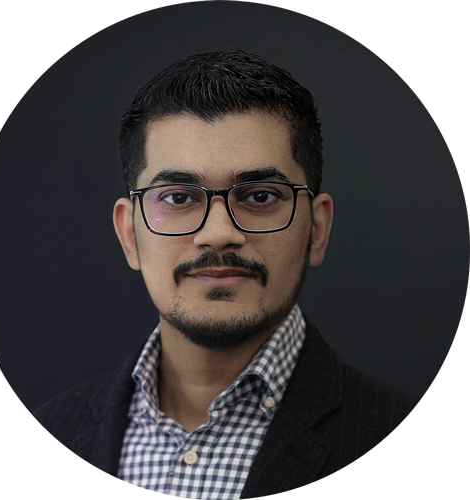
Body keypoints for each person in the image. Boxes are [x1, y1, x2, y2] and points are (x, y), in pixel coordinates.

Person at [34, 51, 414, 499]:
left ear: (317, 229)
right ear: (129, 234)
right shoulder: (44, 440)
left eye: (260, 196)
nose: (218, 234)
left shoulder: (408, 447)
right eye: (178, 198)